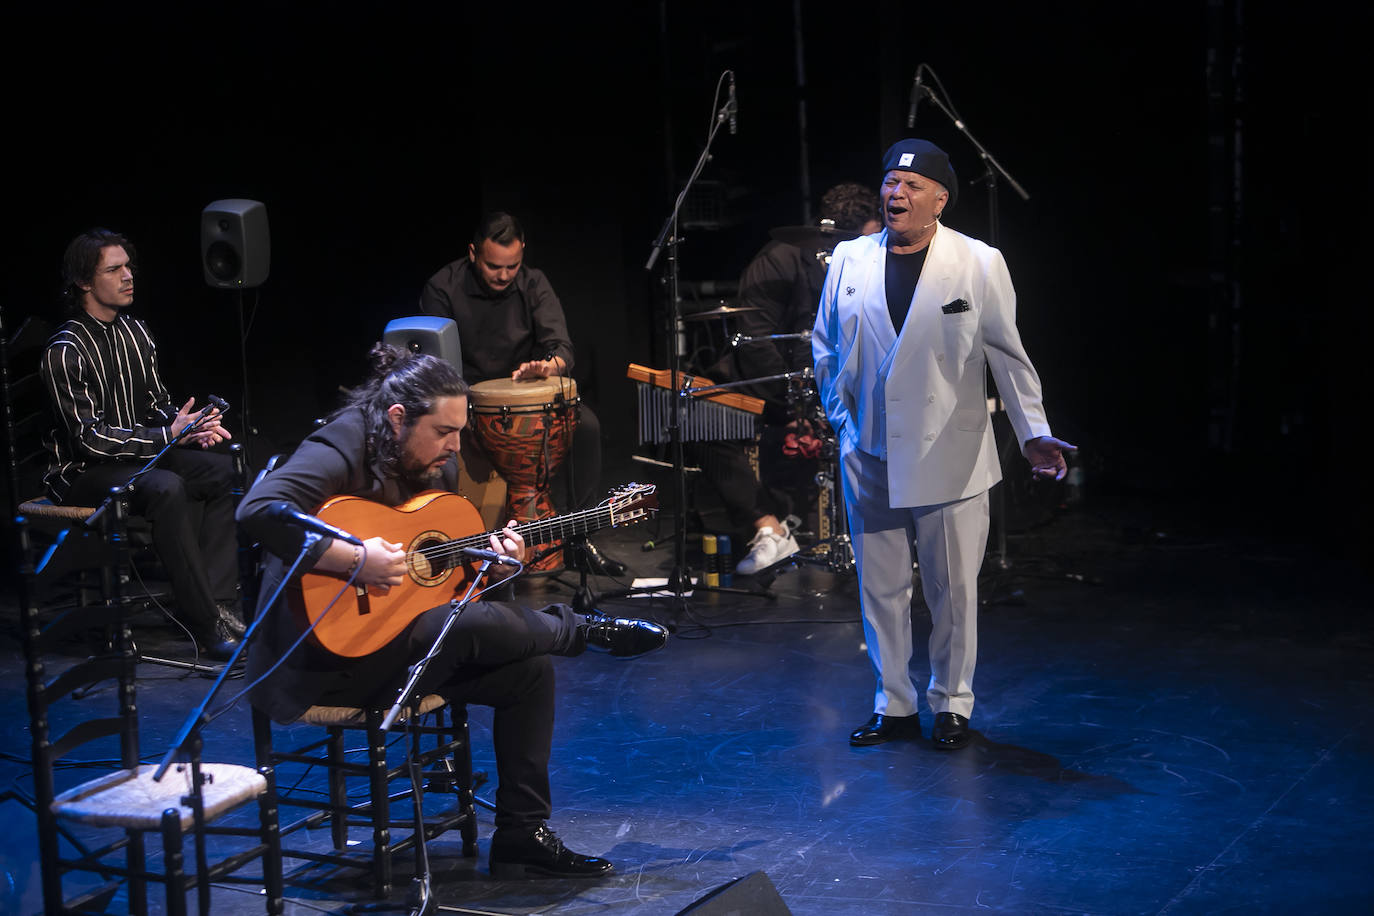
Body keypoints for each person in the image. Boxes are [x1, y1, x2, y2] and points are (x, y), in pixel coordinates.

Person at [236, 343, 668, 878]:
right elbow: (257, 510)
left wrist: (500, 568)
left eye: (459, 431)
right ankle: (580, 629)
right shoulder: (343, 444)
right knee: (456, 626)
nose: (456, 446)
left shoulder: (437, 467)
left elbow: (448, 583)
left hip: (402, 651)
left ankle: (520, 834)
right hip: (323, 661)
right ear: (397, 418)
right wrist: (355, 560)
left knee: (527, 671)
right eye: (444, 432)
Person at [812, 140, 1076, 750]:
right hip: (869, 451)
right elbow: (825, 346)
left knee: (952, 590)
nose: (894, 194)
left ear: (940, 199)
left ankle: (952, 703)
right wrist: (841, 421)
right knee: (880, 589)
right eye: (888, 182)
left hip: (949, 454)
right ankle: (895, 705)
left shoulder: (978, 263)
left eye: (909, 185)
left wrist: (1033, 434)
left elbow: (1007, 356)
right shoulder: (850, 258)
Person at [40, 228, 243, 660]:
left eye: (128, 266)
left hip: (136, 456)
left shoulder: (136, 333)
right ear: (84, 282)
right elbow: (89, 441)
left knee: (220, 470)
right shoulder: (65, 350)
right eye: (114, 270)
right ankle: (205, 624)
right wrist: (166, 437)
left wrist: (186, 425)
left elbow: (155, 404)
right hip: (81, 474)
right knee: (165, 486)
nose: (128, 276)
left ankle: (219, 604)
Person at [418, 211, 621, 575]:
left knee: (586, 426)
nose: (504, 275)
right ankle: (467, 544)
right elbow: (435, 364)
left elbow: (562, 347)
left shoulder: (533, 283)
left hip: (527, 398)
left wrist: (549, 367)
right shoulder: (443, 287)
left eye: (512, 265)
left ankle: (578, 537)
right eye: (494, 266)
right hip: (467, 400)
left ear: (522, 252)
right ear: (473, 253)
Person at [699, 183, 881, 575]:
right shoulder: (778, 261)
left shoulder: (865, 269)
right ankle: (770, 530)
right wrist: (794, 406)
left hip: (836, 389)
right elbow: (756, 343)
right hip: (773, 389)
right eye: (869, 236)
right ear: (841, 236)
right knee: (703, 417)